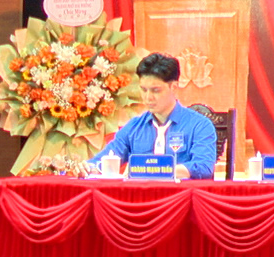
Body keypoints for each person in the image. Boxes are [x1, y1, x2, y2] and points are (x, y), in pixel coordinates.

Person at [91, 52, 220, 180]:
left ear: (174, 87)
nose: (148, 97)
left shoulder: (200, 125)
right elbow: (105, 158)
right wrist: (86, 168)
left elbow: (203, 167)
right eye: (143, 90)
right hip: (141, 193)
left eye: (155, 90)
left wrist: (150, 170)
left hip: (181, 192)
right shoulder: (134, 127)